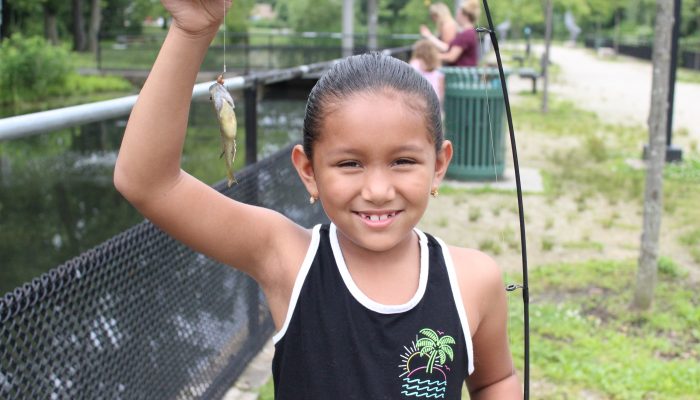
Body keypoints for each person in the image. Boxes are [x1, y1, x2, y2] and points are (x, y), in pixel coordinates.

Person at [114, 1, 521, 398]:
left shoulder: (474, 280)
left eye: (402, 161)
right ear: (309, 172)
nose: (378, 191)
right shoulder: (286, 257)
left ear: (438, 165)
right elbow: (149, 183)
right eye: (349, 164)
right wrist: (193, 30)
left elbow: (493, 380)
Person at [422, 0, 480, 67]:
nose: (456, 16)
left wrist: (433, 56)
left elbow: (451, 57)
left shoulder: (466, 34)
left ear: (465, 16)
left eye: (458, 13)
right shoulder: (467, 33)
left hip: (462, 75)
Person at [409, 39, 445, 103]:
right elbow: (441, 87)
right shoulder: (437, 65)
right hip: (435, 97)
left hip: (419, 97)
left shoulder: (415, 63)